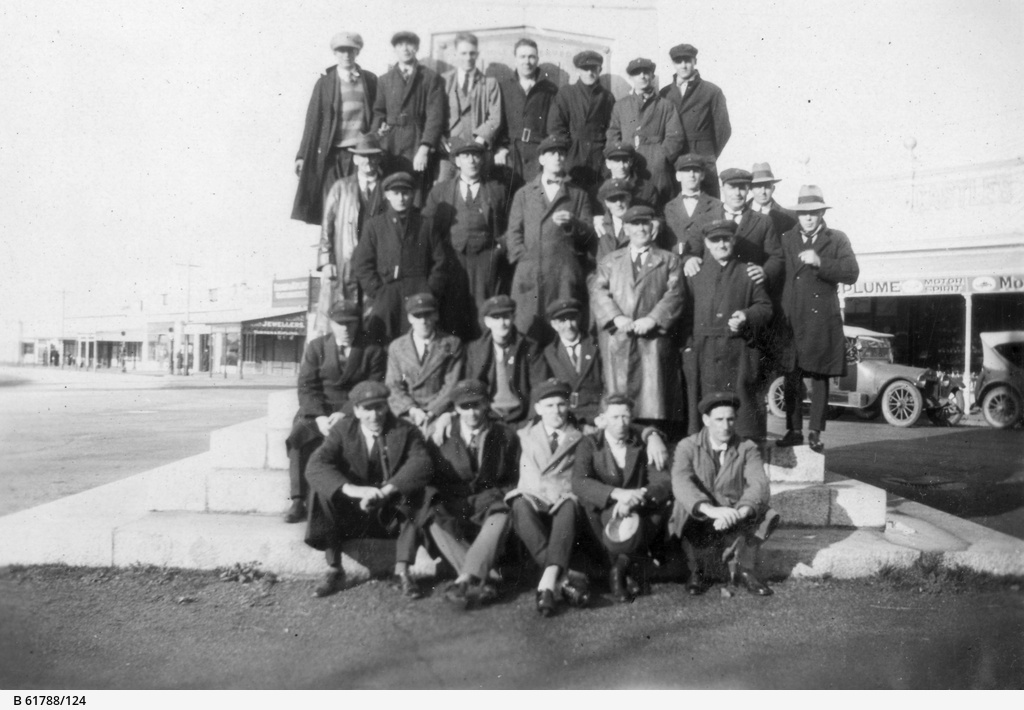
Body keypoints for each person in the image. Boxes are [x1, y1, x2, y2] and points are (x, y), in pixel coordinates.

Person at [304, 381, 433, 599]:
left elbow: (422, 463)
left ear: (387, 406)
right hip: (353, 514)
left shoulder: (405, 429)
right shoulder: (342, 430)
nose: (374, 416)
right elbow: (316, 466)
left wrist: (387, 491)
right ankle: (334, 568)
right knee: (321, 490)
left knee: (420, 493)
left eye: (379, 407)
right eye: (367, 409)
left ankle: (403, 569)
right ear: (355, 410)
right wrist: (353, 490)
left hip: (389, 513)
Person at [284, 301, 386, 524]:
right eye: (340, 324)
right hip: (319, 408)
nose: (346, 329)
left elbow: (372, 385)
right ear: (331, 323)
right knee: (299, 435)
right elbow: (307, 386)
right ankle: (298, 499)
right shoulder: (317, 347)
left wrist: (346, 413)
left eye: (351, 323)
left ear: (359, 323)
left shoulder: (372, 350)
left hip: (355, 408)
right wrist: (319, 416)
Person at [776, 186, 860, 454]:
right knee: (791, 374)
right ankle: (793, 430)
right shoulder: (786, 238)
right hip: (792, 316)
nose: (808, 218)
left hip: (821, 317)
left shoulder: (836, 238)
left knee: (820, 376)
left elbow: (851, 272)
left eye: (813, 213)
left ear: (822, 212)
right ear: (797, 215)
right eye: (803, 214)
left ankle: (815, 433)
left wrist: (819, 262)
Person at [669, 392, 779, 596]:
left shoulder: (747, 448)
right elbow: (680, 481)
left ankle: (745, 571)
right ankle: (698, 571)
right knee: (681, 505)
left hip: (733, 512)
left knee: (763, 511)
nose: (725, 426)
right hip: (702, 515)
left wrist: (739, 512)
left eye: (730, 419)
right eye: (719, 419)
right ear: (706, 420)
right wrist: (710, 510)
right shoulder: (688, 446)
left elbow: (759, 483)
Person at [427, 379, 521, 610]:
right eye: (464, 407)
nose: (472, 413)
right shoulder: (441, 436)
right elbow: (433, 478)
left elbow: (514, 478)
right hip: (455, 501)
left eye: (477, 405)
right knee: (430, 516)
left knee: (502, 514)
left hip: (490, 500)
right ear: (455, 409)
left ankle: (464, 579)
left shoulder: (505, 435)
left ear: (487, 404)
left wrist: (498, 494)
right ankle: (482, 576)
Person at [590, 205, 685, 432]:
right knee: (620, 404)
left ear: (652, 227)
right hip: (619, 341)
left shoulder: (668, 260)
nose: (641, 228)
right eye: (635, 224)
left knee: (653, 402)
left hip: (653, 341)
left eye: (645, 223)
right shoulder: (611, 260)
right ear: (626, 227)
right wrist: (616, 317)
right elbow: (598, 291)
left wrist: (653, 319)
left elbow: (676, 294)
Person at [572, 394, 672, 603]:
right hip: (605, 507)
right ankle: (622, 568)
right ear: (602, 419)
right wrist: (617, 495)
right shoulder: (589, 444)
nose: (621, 423)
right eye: (615, 417)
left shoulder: (642, 443)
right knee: (600, 514)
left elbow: (662, 481)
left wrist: (637, 496)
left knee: (660, 509)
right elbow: (579, 482)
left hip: (639, 507)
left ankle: (619, 569)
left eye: (626, 417)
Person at [506, 379, 590, 617]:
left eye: (561, 405)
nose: (556, 411)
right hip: (533, 497)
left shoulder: (582, 434)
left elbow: (622, 427)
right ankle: (562, 578)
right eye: (550, 405)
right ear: (538, 408)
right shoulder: (521, 434)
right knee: (519, 504)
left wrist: (650, 432)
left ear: (568, 406)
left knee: (570, 505)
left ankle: (547, 585)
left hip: (563, 499)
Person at [686, 219, 773, 439]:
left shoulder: (748, 272)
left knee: (741, 419)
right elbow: (684, 312)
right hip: (703, 354)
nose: (721, 244)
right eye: (715, 240)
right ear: (706, 243)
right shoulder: (695, 273)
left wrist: (746, 315)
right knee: (704, 415)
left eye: (726, 239)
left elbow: (765, 307)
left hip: (738, 352)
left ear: (733, 241)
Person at [506, 135, 596, 344]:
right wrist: (525, 259)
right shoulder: (524, 194)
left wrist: (574, 222)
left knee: (563, 331)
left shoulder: (577, 195)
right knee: (528, 332)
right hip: (530, 274)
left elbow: (590, 234)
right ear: (541, 159)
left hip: (562, 273)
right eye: (551, 153)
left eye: (562, 153)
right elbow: (513, 232)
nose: (558, 157)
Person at [422, 142, 509, 341]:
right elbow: (427, 229)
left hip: (485, 262)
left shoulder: (497, 191)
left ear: (483, 160)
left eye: (476, 156)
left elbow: (512, 227)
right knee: (453, 315)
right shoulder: (441, 192)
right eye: (466, 156)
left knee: (483, 313)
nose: (471, 161)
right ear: (457, 161)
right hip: (453, 261)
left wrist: (499, 248)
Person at [351, 171, 449, 344]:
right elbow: (361, 263)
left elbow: (440, 261)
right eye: (395, 193)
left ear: (412, 194)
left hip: (419, 294)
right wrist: (378, 291)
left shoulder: (426, 224)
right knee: (382, 343)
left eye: (405, 193)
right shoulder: (374, 226)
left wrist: (430, 290)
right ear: (387, 195)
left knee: (420, 340)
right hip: (387, 294)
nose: (401, 198)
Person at [292, 32, 378, 225]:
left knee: (357, 203)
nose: (346, 55)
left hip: (359, 154)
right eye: (341, 51)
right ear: (335, 53)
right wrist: (302, 155)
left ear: (357, 52)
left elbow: (378, 113)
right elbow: (312, 122)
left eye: (350, 51)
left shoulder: (370, 80)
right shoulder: (325, 83)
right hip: (332, 156)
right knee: (331, 203)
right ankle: (330, 250)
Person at [316, 133, 389, 331]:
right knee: (342, 318)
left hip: (377, 265)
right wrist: (326, 261)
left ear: (379, 158)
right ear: (355, 159)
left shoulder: (388, 189)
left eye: (373, 156)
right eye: (364, 156)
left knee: (373, 319)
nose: (368, 161)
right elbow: (327, 227)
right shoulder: (341, 188)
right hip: (345, 263)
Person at [371, 31, 445, 204]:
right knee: (390, 192)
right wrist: (376, 139)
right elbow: (378, 112)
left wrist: (424, 148)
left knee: (416, 195)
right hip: (391, 145)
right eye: (400, 45)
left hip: (417, 143)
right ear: (395, 49)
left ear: (417, 48)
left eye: (409, 44)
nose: (405, 49)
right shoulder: (384, 80)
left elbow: (435, 116)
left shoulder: (429, 77)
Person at [606, 58, 684, 205]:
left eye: (646, 73)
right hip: (628, 166)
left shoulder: (665, 105)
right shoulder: (621, 105)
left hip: (657, 168)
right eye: (637, 73)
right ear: (631, 77)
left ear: (652, 76)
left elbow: (675, 137)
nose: (642, 76)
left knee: (658, 205)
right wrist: (620, 158)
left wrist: (661, 158)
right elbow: (613, 134)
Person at [658, 43, 731, 199]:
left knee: (708, 202)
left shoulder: (711, 91)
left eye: (688, 60)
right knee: (677, 203)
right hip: (675, 158)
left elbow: (723, 129)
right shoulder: (665, 93)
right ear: (673, 64)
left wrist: (708, 153)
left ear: (695, 61)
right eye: (679, 61)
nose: (683, 65)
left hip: (703, 157)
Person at [385, 293, 464, 435]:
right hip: (407, 413)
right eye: (417, 316)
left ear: (436, 316)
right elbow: (393, 385)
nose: (423, 321)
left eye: (428, 315)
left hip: (440, 411)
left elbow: (452, 384)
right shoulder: (397, 347)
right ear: (409, 318)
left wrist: (431, 411)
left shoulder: (451, 344)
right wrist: (412, 409)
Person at [464, 295, 545, 427]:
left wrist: (531, 422)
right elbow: (470, 388)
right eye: (496, 318)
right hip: (487, 419)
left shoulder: (529, 347)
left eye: (506, 317)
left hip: (522, 419)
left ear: (514, 317)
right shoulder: (475, 349)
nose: (502, 323)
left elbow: (539, 388)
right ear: (487, 322)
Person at [547, 50, 615, 197]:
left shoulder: (607, 97)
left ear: (600, 70)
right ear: (578, 70)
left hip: (598, 159)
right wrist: (568, 151)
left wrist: (606, 156)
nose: (590, 72)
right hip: (573, 159)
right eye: (585, 68)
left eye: (594, 69)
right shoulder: (566, 94)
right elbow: (555, 128)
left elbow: (613, 129)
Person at [438, 32, 503, 184]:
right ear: (456, 53)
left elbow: (495, 117)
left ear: (477, 54)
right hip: (449, 152)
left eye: (472, 53)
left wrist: (479, 141)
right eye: (464, 53)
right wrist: (441, 138)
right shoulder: (443, 81)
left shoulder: (490, 84)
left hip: (477, 152)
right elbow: (435, 114)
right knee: (444, 192)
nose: (468, 58)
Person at [494, 38, 559, 189]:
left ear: (537, 59)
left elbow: (554, 125)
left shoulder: (549, 89)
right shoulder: (504, 87)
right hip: (511, 152)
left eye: (531, 57)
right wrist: (500, 148)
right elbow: (498, 120)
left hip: (538, 153)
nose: (527, 61)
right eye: (522, 57)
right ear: (515, 59)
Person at [538, 298, 603, 425]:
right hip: (566, 414)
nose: (569, 326)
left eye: (572, 319)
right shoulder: (549, 353)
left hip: (596, 411)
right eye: (562, 321)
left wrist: (602, 413)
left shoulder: (595, 345)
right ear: (554, 324)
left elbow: (607, 384)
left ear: (578, 319)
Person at [662, 153, 722, 258]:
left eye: (695, 171)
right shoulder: (668, 208)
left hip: (705, 264)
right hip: (677, 264)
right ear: (678, 176)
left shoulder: (716, 205)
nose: (691, 175)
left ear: (702, 175)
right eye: (686, 171)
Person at [749, 162, 797, 237]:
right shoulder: (740, 213)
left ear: (773, 189)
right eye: (758, 186)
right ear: (751, 188)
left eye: (767, 186)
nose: (763, 192)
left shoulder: (789, 217)